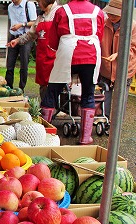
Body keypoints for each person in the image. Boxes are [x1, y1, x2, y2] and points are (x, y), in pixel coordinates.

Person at [41, 0, 104, 145]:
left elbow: (52, 40)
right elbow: (99, 36)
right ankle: (85, 137)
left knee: (52, 91)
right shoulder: (97, 11)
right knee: (88, 93)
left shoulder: (62, 11)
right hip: (91, 53)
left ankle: (43, 134)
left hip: (67, 51)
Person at [6, 0, 60, 100]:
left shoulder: (59, 13)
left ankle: (55, 108)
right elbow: (30, 35)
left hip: (56, 57)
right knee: (43, 85)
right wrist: (17, 40)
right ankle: (45, 109)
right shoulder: (41, 17)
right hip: (43, 56)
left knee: (55, 84)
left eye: (39, 1)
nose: (38, 3)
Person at [99, 0, 136, 119]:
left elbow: (133, 48)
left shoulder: (132, 26)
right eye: (109, 13)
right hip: (105, 68)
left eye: (114, 14)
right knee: (105, 96)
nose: (111, 16)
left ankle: (116, 124)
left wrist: (119, 54)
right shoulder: (104, 23)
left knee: (121, 98)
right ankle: (104, 120)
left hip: (124, 69)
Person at [5, 0, 37, 91]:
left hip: (25, 37)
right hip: (13, 37)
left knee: (24, 65)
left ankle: (21, 89)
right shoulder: (10, 7)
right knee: (10, 65)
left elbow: (34, 23)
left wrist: (22, 25)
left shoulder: (29, 5)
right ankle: (8, 88)